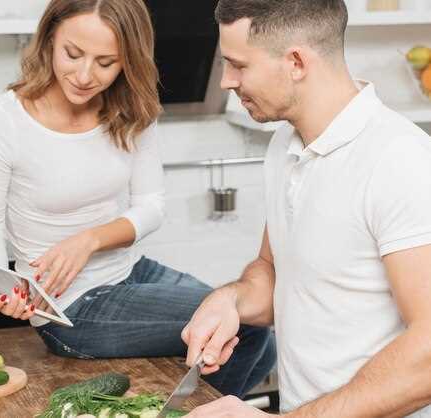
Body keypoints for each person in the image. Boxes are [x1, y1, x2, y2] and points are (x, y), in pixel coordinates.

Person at [0, 0, 275, 399]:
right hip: (69, 309)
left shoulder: (132, 109)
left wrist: (88, 240)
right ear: (50, 38)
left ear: (129, 59)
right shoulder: (2, 122)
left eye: (106, 62)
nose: (85, 75)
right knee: (243, 325)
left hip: (131, 271)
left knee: (257, 335)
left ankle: (186, 409)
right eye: (72, 54)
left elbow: (152, 206)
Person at [182, 0, 431, 417]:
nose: (226, 81)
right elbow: (273, 270)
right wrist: (230, 301)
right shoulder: (284, 145)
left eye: (238, 65)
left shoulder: (400, 160)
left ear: (296, 61)